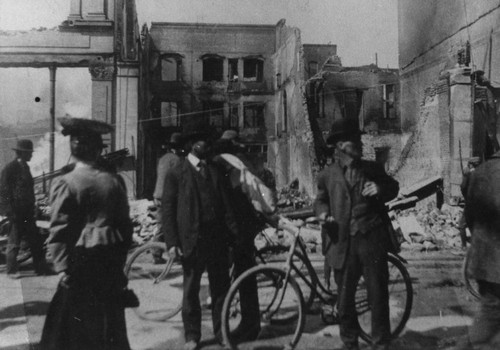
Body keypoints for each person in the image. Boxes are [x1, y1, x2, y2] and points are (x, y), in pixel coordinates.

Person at [40, 117, 133, 350]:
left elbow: (60, 230)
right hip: (109, 263)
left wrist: (62, 268)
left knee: (71, 332)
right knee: (109, 327)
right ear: (98, 149)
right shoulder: (115, 181)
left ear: (73, 148)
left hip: (81, 265)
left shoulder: (67, 182)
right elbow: (125, 228)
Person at [314, 118, 399, 350]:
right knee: (344, 299)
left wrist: (380, 189)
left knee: (378, 297)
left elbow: (394, 187)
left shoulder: (372, 168)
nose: (361, 144)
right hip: (342, 242)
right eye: (356, 141)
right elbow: (320, 201)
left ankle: (381, 344)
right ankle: (349, 343)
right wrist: (323, 216)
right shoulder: (327, 175)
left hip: (371, 239)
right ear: (341, 145)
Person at [162, 132, 238, 350]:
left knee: (221, 289)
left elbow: (226, 208)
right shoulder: (176, 174)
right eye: (203, 141)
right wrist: (172, 243)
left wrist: (233, 237)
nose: (207, 145)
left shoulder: (215, 171)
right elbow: (167, 211)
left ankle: (222, 332)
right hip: (191, 241)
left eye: (208, 142)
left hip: (217, 240)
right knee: (191, 290)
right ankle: (192, 336)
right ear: (192, 144)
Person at [212, 132, 277, 342]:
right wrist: (268, 209)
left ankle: (248, 325)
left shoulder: (226, 164)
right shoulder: (232, 163)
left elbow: (255, 190)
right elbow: (258, 192)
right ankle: (248, 324)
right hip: (237, 228)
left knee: (243, 277)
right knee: (243, 278)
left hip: (235, 230)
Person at [463, 149, 500, 349]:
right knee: (488, 320)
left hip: (484, 260)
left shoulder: (479, 173)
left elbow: (470, 216)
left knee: (490, 314)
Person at [0, 139, 48, 279]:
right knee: (14, 243)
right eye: (29, 153)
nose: (31, 155)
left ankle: (40, 268)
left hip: (27, 212)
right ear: (21, 153)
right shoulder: (10, 168)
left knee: (36, 241)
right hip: (16, 213)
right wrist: (9, 211)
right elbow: (3, 192)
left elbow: (29, 190)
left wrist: (34, 206)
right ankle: (11, 271)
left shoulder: (25, 167)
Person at [152, 132, 184, 264]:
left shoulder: (163, 158)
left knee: (162, 224)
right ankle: (173, 253)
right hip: (167, 196)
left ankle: (156, 253)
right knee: (172, 224)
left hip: (157, 194)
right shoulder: (176, 160)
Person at [458, 157, 480, 249]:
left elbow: (463, 187)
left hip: (470, 202)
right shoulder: (481, 174)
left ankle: (463, 246)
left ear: (471, 164)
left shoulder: (468, 174)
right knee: (473, 223)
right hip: (479, 203)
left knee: (462, 224)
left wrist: (465, 196)